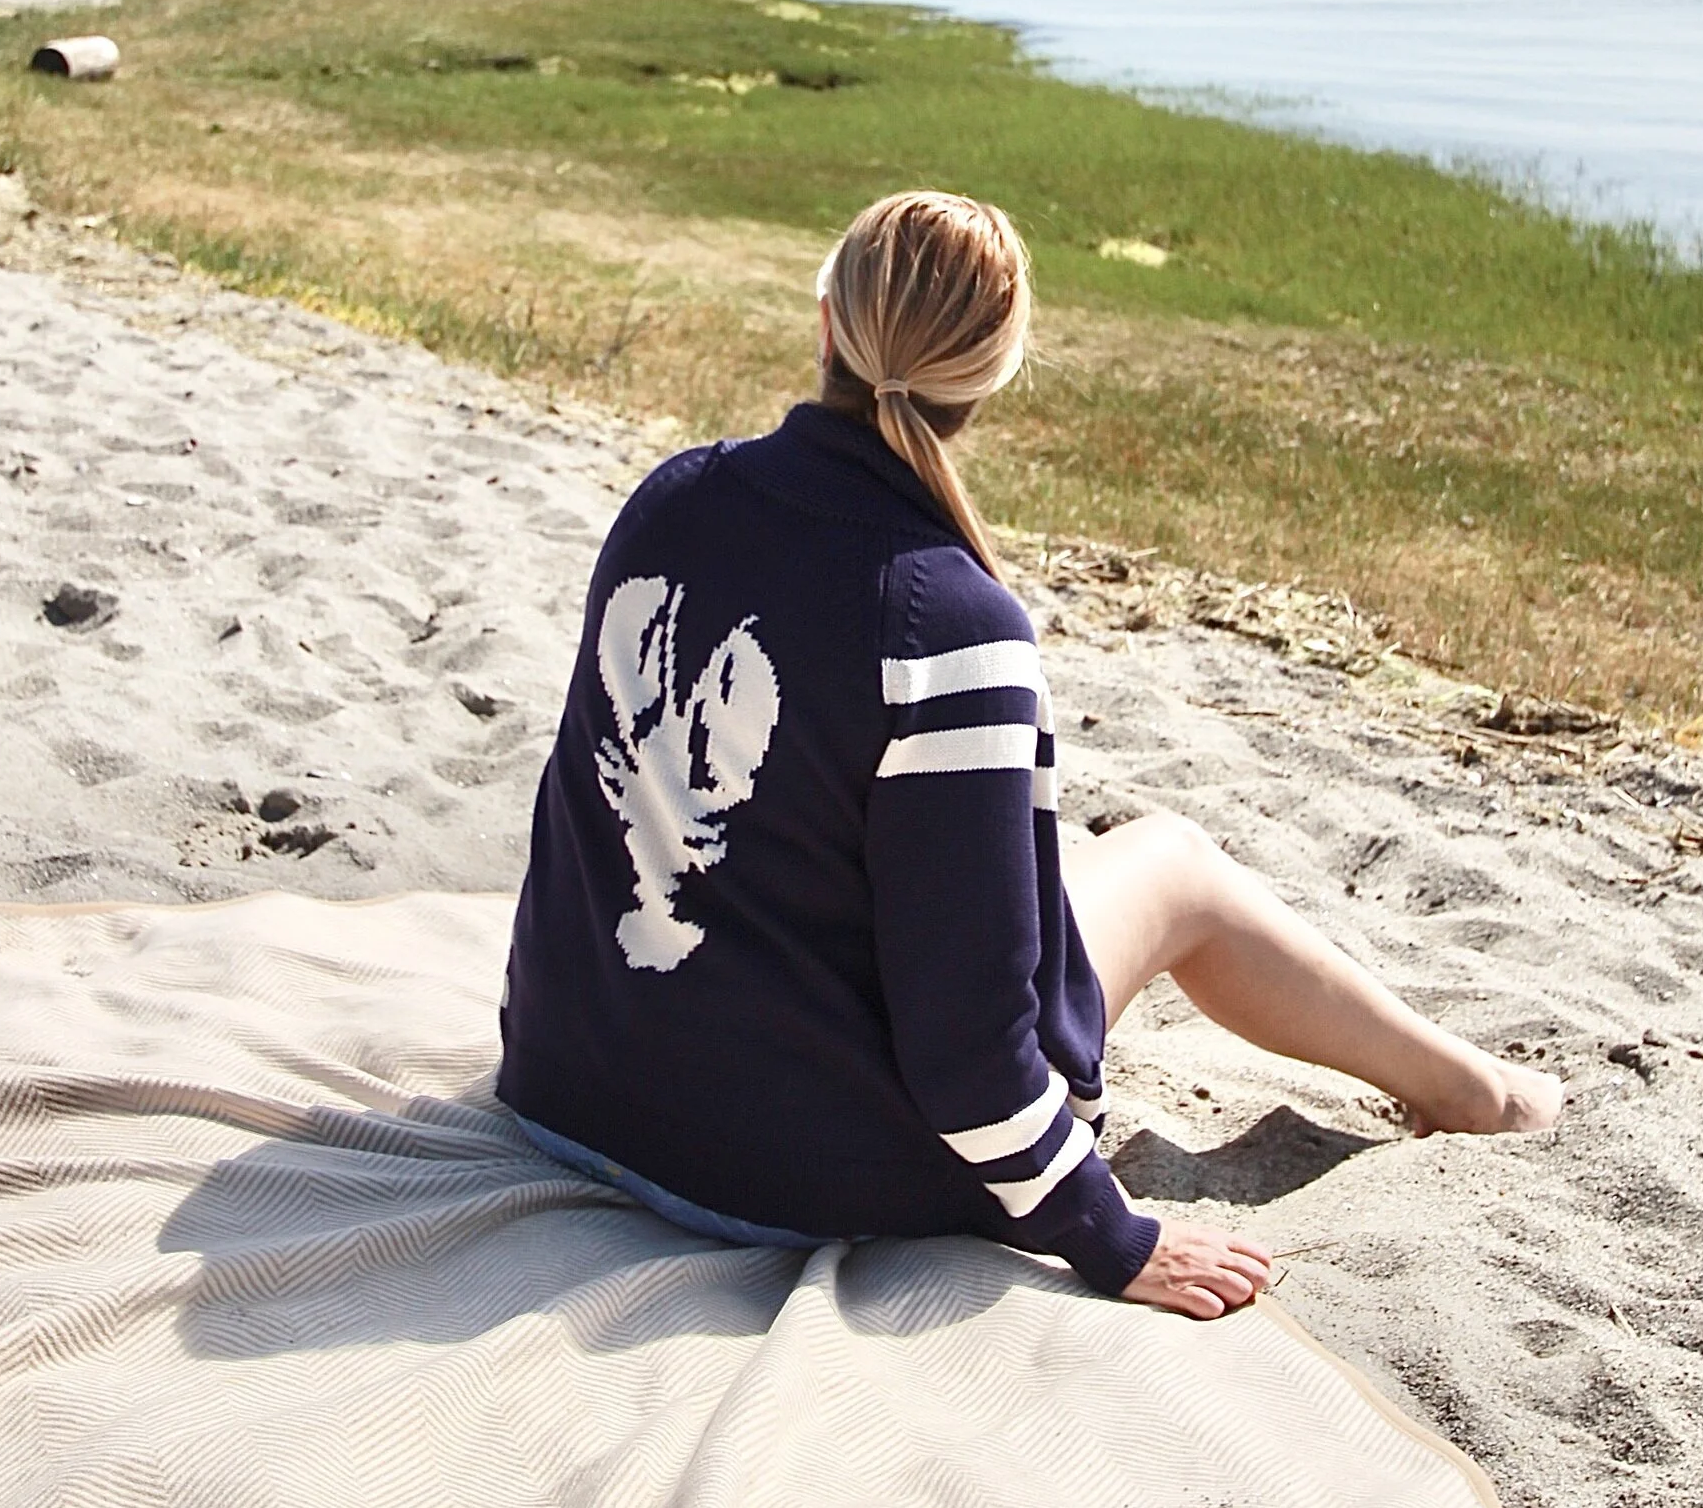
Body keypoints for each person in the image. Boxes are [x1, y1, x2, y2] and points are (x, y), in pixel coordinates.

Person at [497, 188, 1561, 1318]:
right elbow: (968, 1053)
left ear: (823, 322)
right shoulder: (952, 624)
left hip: (568, 1087)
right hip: (790, 1172)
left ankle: (1468, 1088)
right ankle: (1474, 1093)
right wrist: (1110, 1236)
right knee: (1172, 864)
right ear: (996, 375)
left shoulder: (669, 501)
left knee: (1024, 857)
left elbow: (585, 816)